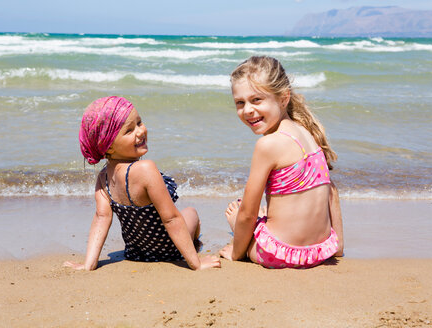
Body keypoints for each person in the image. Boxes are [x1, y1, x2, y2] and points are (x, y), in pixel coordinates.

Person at [64, 96, 221, 271]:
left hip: (136, 253)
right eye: (129, 131)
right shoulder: (146, 169)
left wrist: (89, 264)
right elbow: (171, 218)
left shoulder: (103, 177)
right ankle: (192, 248)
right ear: (108, 147)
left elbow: (101, 218)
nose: (140, 131)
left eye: (139, 123)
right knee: (191, 212)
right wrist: (197, 264)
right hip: (170, 250)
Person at [219, 56, 344, 269]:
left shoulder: (268, 145)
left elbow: (249, 213)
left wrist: (237, 251)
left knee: (240, 211)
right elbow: (331, 193)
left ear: (283, 98)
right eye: (240, 103)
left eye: (256, 100)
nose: (247, 110)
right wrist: (337, 245)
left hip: (280, 254)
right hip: (321, 250)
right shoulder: (309, 133)